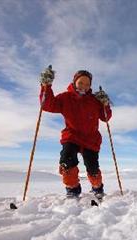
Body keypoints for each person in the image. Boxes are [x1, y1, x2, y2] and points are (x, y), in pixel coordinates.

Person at [39, 66, 112, 198]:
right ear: (74, 82)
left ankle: (97, 187)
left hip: (91, 139)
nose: (84, 86)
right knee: (67, 161)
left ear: (90, 85)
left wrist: (105, 103)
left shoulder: (94, 101)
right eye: (81, 82)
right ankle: (72, 189)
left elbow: (105, 117)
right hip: (71, 136)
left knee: (93, 168)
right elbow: (47, 105)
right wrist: (46, 85)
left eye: (87, 84)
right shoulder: (65, 97)